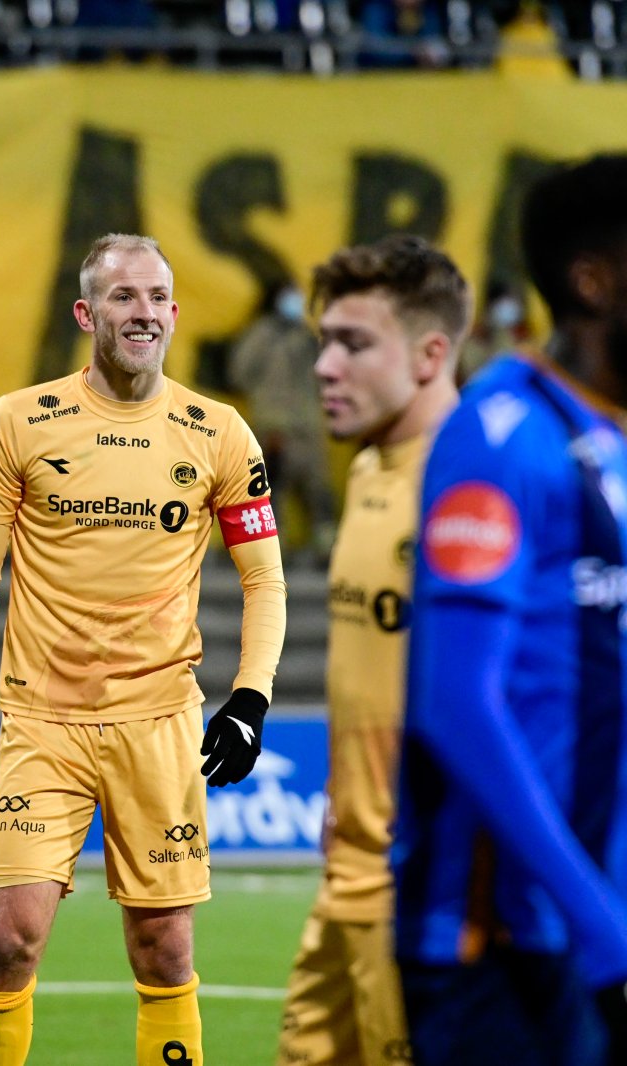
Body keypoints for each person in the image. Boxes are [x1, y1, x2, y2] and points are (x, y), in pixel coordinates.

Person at [0, 232, 287, 1066]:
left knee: (164, 949)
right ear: (88, 313)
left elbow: (265, 582)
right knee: (12, 940)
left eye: (160, 297)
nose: (147, 313)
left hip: (159, 723)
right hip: (41, 722)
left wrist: (252, 698)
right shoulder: (16, 422)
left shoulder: (220, 433)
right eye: (126, 297)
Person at [393, 153, 627, 1066]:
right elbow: (456, 702)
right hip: (503, 947)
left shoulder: (611, 436)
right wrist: (601, 928)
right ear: (593, 278)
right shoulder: (505, 436)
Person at [276, 234, 472, 1066]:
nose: (325, 366)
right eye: (325, 342)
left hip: (421, 886)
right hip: (347, 869)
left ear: (431, 354)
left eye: (354, 344)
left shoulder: (471, 490)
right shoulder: (367, 473)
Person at [227, 280, 336, 565]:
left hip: (308, 426)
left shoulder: (306, 335)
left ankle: (326, 548)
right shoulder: (261, 335)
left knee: (318, 492)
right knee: (271, 490)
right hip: (274, 426)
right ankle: (273, 551)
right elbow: (239, 372)